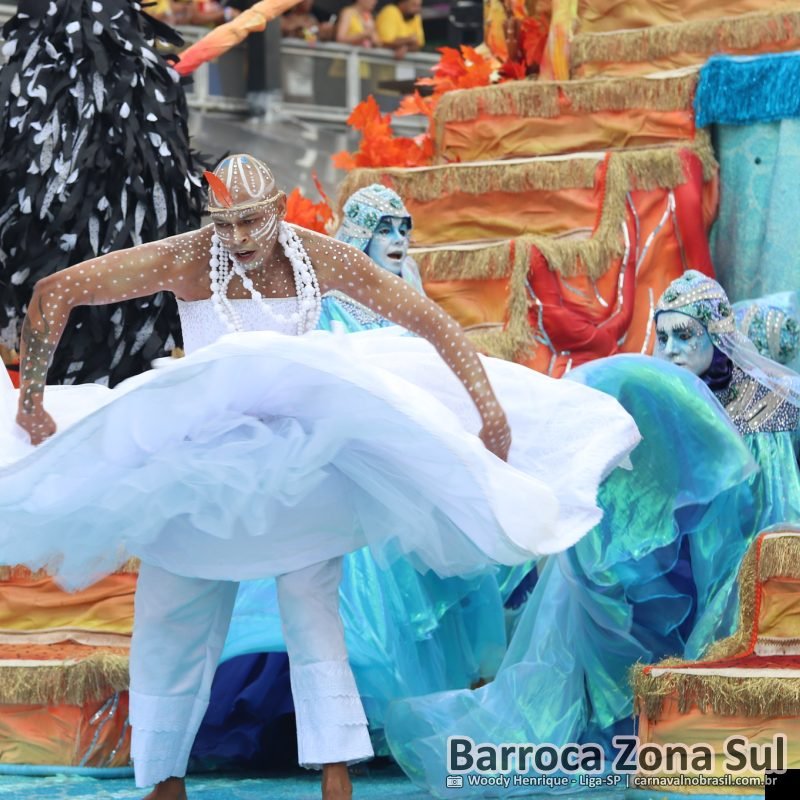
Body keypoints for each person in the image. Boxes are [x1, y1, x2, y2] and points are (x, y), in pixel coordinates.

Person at [1, 155, 639, 800]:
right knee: (171, 607)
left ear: (278, 209)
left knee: (312, 607)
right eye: (224, 223)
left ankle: (336, 771)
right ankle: (163, 777)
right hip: (197, 463)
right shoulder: (187, 256)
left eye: (251, 221)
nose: (238, 238)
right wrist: (31, 404)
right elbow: (54, 292)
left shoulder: (319, 256)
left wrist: (490, 412)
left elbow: (426, 320)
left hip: (303, 460)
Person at [206, 184, 506, 762]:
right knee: (332, 589)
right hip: (337, 469)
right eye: (384, 229)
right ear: (360, 235)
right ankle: (321, 723)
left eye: (404, 228)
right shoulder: (325, 298)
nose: (398, 240)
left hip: (400, 466)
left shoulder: (408, 295)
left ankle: (380, 723)